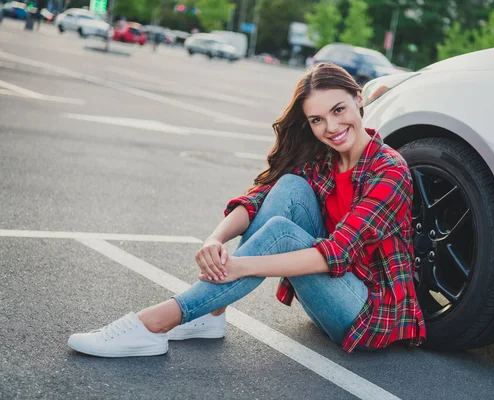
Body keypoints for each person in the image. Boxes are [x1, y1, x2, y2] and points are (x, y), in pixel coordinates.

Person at [67, 62, 426, 357]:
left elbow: (335, 253)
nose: (331, 127)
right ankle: (212, 312)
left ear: (359, 100)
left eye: (338, 110)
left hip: (365, 314)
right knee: (288, 186)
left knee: (283, 234)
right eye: (317, 120)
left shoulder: (390, 170)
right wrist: (214, 238)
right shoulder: (324, 161)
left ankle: (156, 322)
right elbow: (259, 199)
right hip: (327, 295)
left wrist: (237, 268)